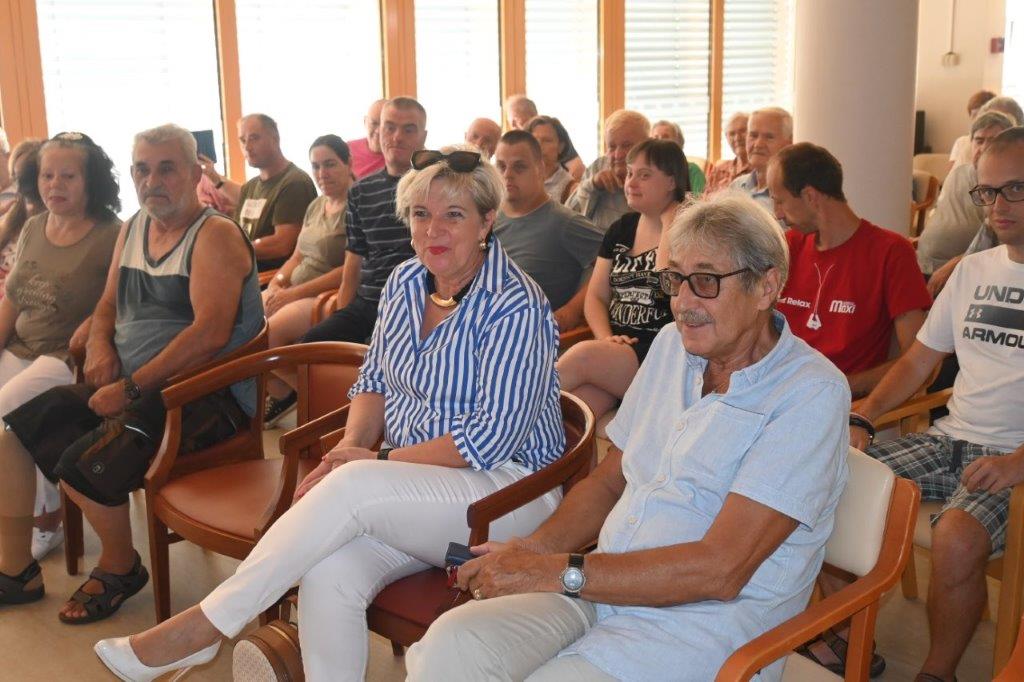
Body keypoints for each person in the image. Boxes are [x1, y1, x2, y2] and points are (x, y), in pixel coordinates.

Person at [95, 146, 567, 682]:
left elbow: (488, 441)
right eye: (420, 214)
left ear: (486, 221)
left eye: (453, 215)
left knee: (353, 485)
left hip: (506, 495)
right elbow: (374, 383)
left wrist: (373, 461)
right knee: (327, 572)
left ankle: (203, 629)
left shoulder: (516, 304)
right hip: (416, 492)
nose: (433, 229)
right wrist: (351, 448)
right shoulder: (406, 282)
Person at [406, 192, 850, 682]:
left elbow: (720, 569)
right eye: (674, 279)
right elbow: (609, 481)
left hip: (700, 627)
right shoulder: (672, 347)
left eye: (705, 281)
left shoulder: (810, 393)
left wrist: (553, 570)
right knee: (449, 645)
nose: (682, 304)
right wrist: (533, 550)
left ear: (766, 286)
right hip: (601, 586)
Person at [0, 123, 262, 624]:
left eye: (167, 169)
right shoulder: (136, 226)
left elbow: (209, 335)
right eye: (142, 169)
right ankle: (16, 571)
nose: (152, 181)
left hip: (203, 395)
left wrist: (132, 387)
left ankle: (120, 566)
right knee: (17, 432)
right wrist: (100, 343)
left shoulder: (214, 236)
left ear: (195, 173)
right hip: (135, 385)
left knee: (84, 462)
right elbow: (106, 304)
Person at [826, 126, 1024, 682]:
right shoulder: (973, 272)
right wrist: (864, 415)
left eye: (1015, 189)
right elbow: (918, 362)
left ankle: (937, 673)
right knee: (822, 478)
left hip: (1012, 456)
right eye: (987, 191)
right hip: (948, 439)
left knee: (955, 537)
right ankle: (844, 637)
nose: (997, 205)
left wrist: (1017, 462)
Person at [1, 134, 119, 564]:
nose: (55, 185)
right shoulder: (34, 226)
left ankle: (48, 516)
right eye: (47, 175)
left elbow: (116, 304)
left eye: (68, 176)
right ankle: (13, 510)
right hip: (21, 344)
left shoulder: (112, 234)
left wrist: (94, 332)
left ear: (91, 181)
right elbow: (13, 298)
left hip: (66, 356)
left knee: (9, 414)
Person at [768, 142, 931, 397]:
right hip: (775, 391)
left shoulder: (890, 252)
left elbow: (920, 360)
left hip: (839, 400)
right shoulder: (788, 246)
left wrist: (839, 387)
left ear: (810, 196)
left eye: (780, 201)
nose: (777, 214)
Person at [557, 139, 687, 422]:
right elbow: (595, 297)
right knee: (573, 416)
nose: (631, 182)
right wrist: (607, 339)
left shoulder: (688, 230)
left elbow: (668, 280)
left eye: (644, 175)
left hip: (660, 356)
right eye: (630, 173)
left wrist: (670, 220)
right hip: (616, 353)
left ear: (671, 182)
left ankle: (509, 409)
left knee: (582, 356)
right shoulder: (621, 228)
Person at [299, 97, 425, 346]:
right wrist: (341, 315)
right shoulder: (360, 192)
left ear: (423, 136)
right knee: (313, 346)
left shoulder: (434, 186)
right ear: (378, 131)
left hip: (418, 304)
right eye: (389, 127)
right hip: (368, 303)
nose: (397, 137)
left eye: (409, 129)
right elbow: (353, 264)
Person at [261, 135, 353, 425]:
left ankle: (323, 400)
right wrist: (278, 282)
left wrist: (293, 293)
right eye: (316, 166)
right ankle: (283, 393)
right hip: (294, 289)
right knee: (241, 323)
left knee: (267, 335)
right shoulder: (315, 205)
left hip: (324, 294)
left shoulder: (356, 205)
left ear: (348, 164)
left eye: (330, 164)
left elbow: (348, 270)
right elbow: (297, 256)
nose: (322, 173)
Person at [492, 131, 603, 332]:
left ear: (540, 170)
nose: (507, 174)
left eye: (519, 166)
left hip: (531, 335)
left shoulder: (564, 222)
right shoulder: (487, 220)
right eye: (501, 166)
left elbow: (614, 264)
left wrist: (572, 311)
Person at [918, 111, 1014, 281]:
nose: (984, 148)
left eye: (993, 140)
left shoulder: (1006, 185)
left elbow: (994, 242)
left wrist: (953, 267)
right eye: (979, 140)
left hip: (963, 273)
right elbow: (940, 217)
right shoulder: (958, 173)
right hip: (924, 262)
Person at [234, 113, 318, 271]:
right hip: (241, 270)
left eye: (254, 138)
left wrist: (233, 249)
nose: (247, 147)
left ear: (275, 138)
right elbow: (238, 234)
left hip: (273, 277)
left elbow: (282, 245)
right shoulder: (249, 187)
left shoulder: (294, 183)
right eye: (243, 140)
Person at [567, 110, 650, 233]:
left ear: (647, 145)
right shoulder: (599, 167)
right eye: (612, 146)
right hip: (597, 242)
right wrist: (593, 185)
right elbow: (568, 218)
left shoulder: (658, 174)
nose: (618, 155)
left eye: (627, 145)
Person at [0, 139, 44, 299]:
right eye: (16, 177)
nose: (21, 186)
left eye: (28, 177)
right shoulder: (13, 213)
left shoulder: (52, 225)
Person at [731, 107, 793, 211]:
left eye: (769, 137)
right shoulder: (736, 186)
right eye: (753, 135)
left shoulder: (793, 195)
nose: (758, 144)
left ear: (789, 144)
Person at [525, 115, 579, 203]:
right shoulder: (517, 181)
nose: (539, 146)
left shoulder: (570, 189)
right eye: (534, 140)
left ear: (561, 147)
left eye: (547, 140)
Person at [651, 119, 706, 195]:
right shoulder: (647, 171)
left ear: (678, 142)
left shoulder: (692, 171)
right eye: (656, 137)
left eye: (665, 137)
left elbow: (699, 200)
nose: (660, 141)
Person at [948, 90, 997, 171]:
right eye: (974, 115)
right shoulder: (961, 142)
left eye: (982, 115)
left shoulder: (1001, 142)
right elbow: (952, 174)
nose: (978, 120)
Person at [706, 112, 751, 193]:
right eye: (732, 134)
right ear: (726, 138)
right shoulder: (719, 170)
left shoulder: (761, 170)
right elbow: (705, 199)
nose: (737, 138)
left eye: (743, 131)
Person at [348, 99, 387, 179]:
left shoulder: (401, 154)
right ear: (365, 122)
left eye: (385, 125)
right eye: (374, 123)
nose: (378, 131)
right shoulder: (348, 150)